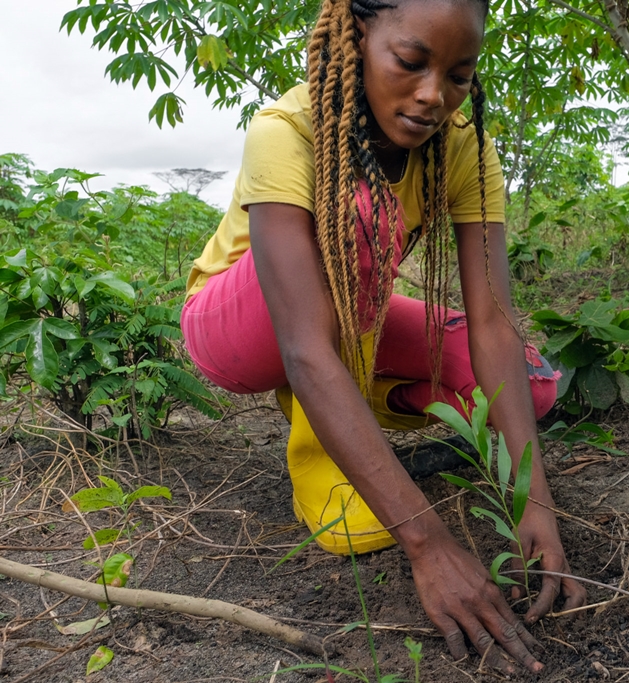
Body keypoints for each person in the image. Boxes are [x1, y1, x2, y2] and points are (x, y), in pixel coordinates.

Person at [180, 0, 586, 673]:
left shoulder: (464, 146)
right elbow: (305, 346)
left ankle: (355, 405)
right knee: (361, 214)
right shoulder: (289, 129)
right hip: (234, 328)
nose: (433, 95)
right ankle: (323, 464)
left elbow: (491, 321)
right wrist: (429, 545)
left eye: (458, 76)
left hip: (343, 317)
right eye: (411, 62)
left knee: (533, 383)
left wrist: (533, 498)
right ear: (360, 33)